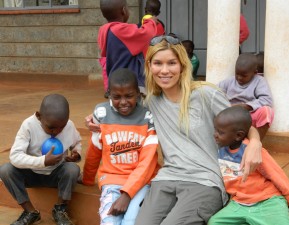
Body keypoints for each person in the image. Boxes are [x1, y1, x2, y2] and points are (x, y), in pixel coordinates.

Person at [128, 35, 261, 225]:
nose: (164, 70)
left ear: (182, 65)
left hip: (205, 180)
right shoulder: (151, 101)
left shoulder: (206, 94)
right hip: (167, 178)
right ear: (149, 66)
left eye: (171, 63)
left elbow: (243, 125)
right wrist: (97, 118)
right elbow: (122, 111)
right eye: (157, 63)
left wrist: (255, 142)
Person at [79, 68, 160, 225]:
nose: (123, 102)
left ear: (138, 93)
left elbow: (147, 162)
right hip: (112, 181)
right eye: (116, 97)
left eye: (129, 96)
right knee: (110, 221)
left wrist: (127, 194)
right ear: (109, 93)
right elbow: (95, 148)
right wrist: (88, 179)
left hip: (142, 182)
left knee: (130, 222)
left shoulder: (147, 117)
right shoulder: (101, 113)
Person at [209, 106, 289, 225]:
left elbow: (278, 176)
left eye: (220, 132)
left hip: (268, 201)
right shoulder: (221, 150)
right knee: (214, 222)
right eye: (215, 130)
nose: (215, 135)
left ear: (238, 135)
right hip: (239, 204)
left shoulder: (254, 152)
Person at [0, 94, 82, 225]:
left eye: (62, 127)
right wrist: (42, 161)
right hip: (31, 174)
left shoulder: (69, 126)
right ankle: (30, 212)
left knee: (72, 169)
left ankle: (60, 209)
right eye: (51, 127)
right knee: (5, 170)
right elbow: (14, 156)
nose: (57, 131)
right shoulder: (28, 125)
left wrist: (76, 153)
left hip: (57, 174)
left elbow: (76, 141)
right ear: (39, 116)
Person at [98, 0, 159, 97]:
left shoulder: (104, 30)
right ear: (124, 10)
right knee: (139, 107)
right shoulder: (120, 30)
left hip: (115, 80)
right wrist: (151, 22)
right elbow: (147, 34)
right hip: (131, 81)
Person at [218, 53, 274, 140]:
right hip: (231, 116)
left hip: (249, 114)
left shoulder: (259, 81)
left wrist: (246, 106)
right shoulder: (229, 81)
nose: (239, 78)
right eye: (237, 74)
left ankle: (256, 142)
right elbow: (215, 92)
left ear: (255, 73)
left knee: (266, 111)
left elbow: (266, 99)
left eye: (244, 75)